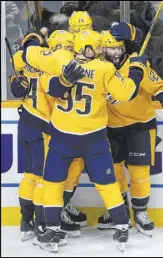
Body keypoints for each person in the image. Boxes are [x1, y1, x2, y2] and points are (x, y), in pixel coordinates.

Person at [21, 28, 147, 252]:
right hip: (93, 139)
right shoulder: (104, 68)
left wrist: (32, 42)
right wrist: (137, 68)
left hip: (62, 137)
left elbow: (46, 82)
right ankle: (120, 223)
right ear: (88, 49)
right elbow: (127, 93)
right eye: (97, 47)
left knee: (53, 183)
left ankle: (52, 228)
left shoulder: (59, 60)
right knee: (106, 184)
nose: (101, 51)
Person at [9, 29, 85, 243]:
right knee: (45, 178)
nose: (70, 51)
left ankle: (26, 222)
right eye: (68, 47)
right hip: (43, 125)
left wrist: (15, 79)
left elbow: (17, 63)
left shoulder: (33, 57)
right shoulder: (52, 63)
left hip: (26, 122)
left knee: (31, 176)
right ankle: (42, 224)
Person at [97, 25, 163, 236]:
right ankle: (119, 211)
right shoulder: (100, 68)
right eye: (111, 49)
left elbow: (160, 87)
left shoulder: (137, 65)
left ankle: (140, 212)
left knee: (139, 173)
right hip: (111, 128)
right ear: (103, 50)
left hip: (140, 125)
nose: (117, 52)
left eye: (119, 47)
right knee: (115, 174)